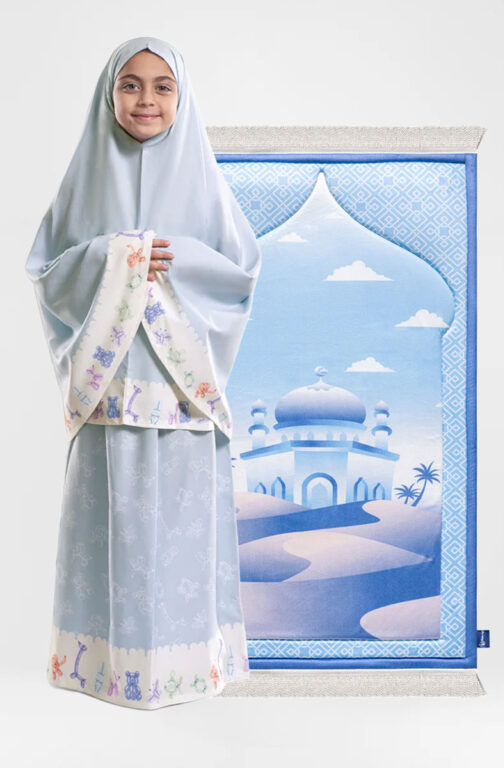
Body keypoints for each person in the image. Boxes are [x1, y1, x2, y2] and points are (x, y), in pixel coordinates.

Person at [25, 36, 261, 710]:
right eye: (130, 85)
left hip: (180, 398)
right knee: (112, 536)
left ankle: (187, 669)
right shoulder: (84, 180)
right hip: (110, 400)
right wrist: (115, 254)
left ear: (181, 98)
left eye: (162, 86)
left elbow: (241, 275)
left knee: (181, 540)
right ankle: (103, 669)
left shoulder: (205, 182)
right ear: (110, 96)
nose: (146, 99)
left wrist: (172, 256)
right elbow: (46, 272)